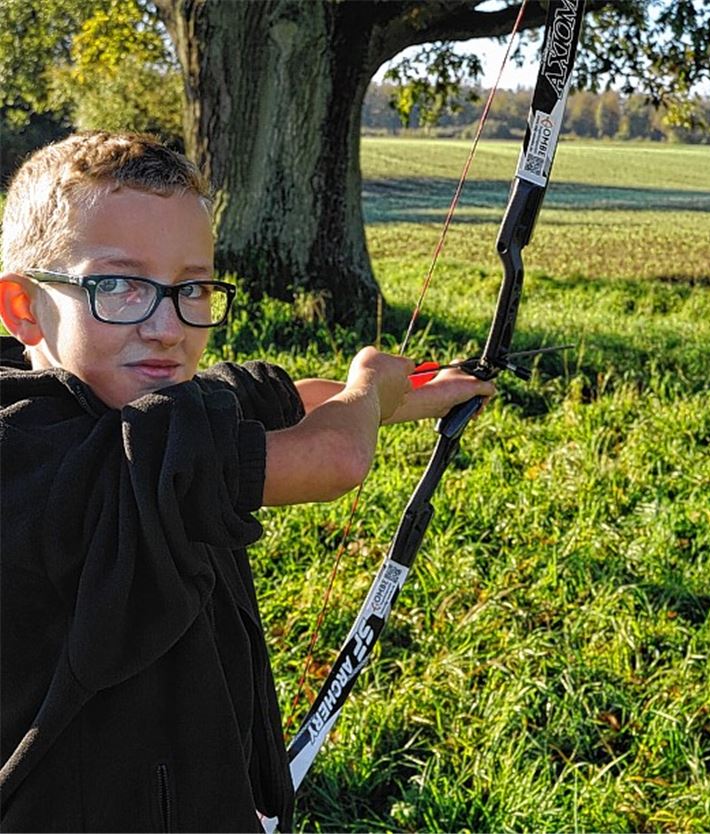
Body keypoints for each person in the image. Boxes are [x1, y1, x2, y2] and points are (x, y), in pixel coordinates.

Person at [0, 131, 495, 832]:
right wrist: (368, 386)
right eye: (119, 284)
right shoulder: (28, 454)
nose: (169, 327)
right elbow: (336, 460)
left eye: (192, 288)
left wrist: (419, 393)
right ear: (23, 308)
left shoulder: (143, 409)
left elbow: (272, 395)